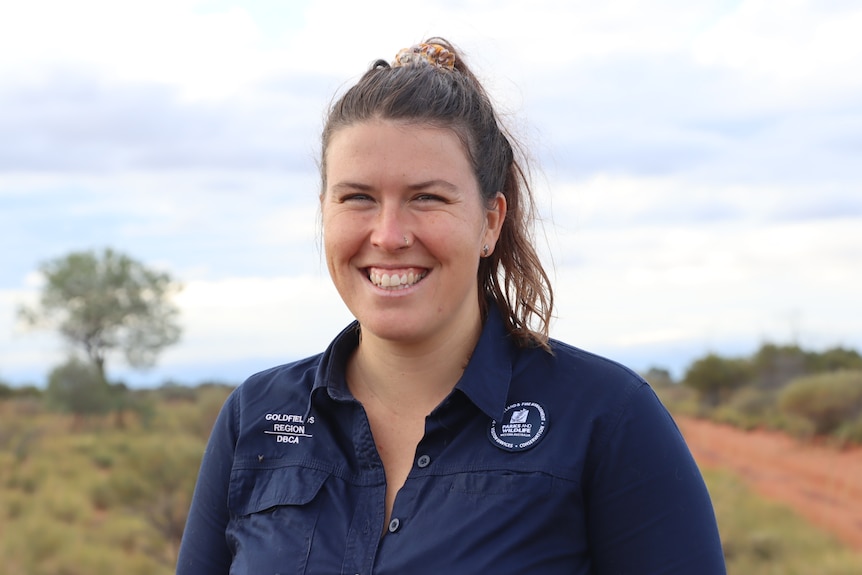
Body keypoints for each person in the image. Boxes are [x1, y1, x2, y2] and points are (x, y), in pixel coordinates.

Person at [177, 39, 726, 574]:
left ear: (490, 221)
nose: (388, 235)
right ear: (324, 211)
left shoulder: (607, 418)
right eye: (358, 197)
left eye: (427, 197)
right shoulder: (255, 416)